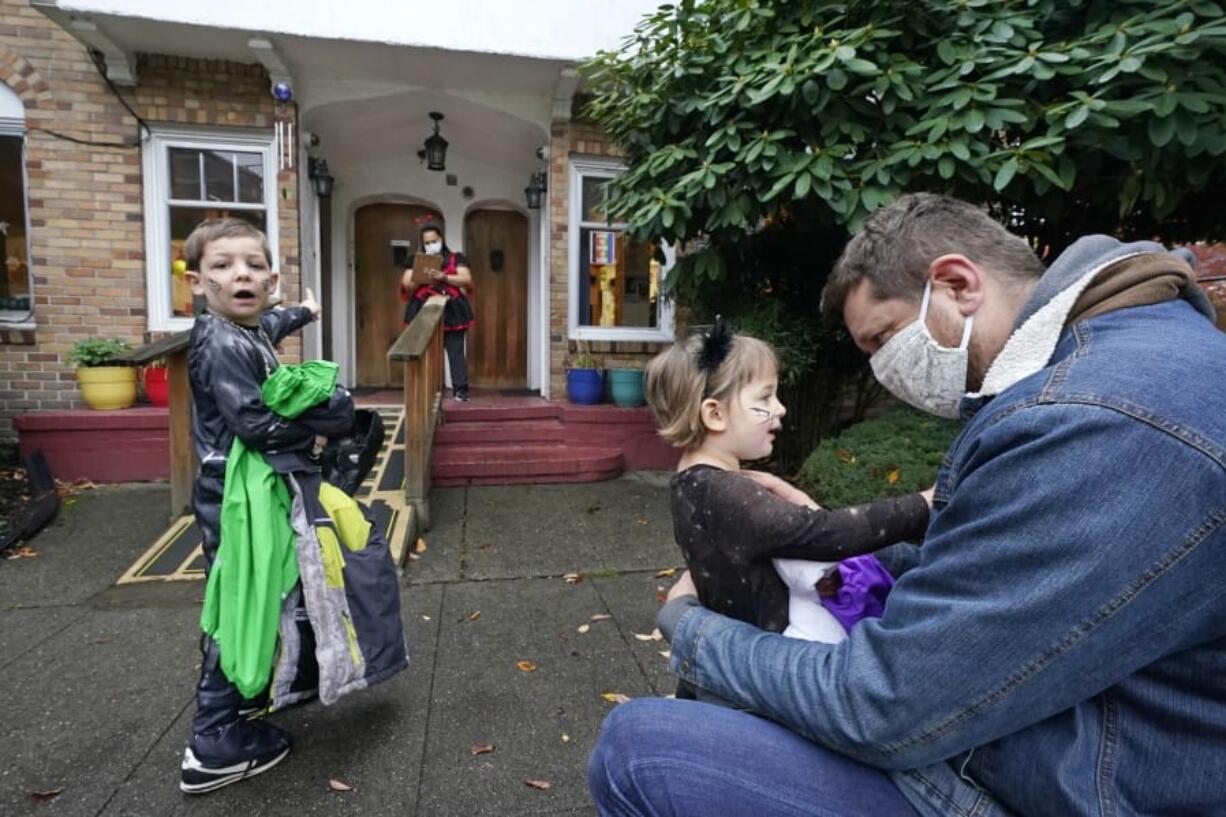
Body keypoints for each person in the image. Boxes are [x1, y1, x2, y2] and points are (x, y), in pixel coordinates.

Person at [588, 193, 1226, 817]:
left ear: (955, 284)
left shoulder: (1093, 420)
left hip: (1065, 782)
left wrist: (693, 629)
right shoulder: (1138, 356)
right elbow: (997, 560)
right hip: (1071, 738)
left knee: (638, 749)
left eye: (883, 339)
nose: (882, 371)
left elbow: (882, 707)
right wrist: (825, 542)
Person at [643, 319, 931, 683]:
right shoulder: (723, 491)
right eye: (764, 398)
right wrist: (923, 504)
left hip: (747, 654)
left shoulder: (692, 484)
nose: (779, 409)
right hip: (774, 664)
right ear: (715, 414)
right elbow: (823, 534)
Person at [179, 218, 356, 793]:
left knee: (272, 588)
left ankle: (251, 692)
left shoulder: (248, 325)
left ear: (271, 280)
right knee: (243, 599)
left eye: (253, 265)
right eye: (224, 266)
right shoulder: (223, 341)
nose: (241, 275)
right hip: (231, 497)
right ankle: (212, 740)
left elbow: (271, 322)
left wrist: (303, 312)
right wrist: (322, 421)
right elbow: (255, 424)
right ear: (197, 284)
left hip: (250, 489)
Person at [399, 220, 474, 401]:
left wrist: (444, 277)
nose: (432, 245)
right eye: (428, 242)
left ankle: (460, 390)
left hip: (453, 310)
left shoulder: (456, 258)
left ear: (441, 239)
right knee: (424, 352)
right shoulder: (415, 259)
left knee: (455, 351)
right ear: (422, 243)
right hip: (423, 310)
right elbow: (407, 283)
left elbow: (466, 279)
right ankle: (425, 391)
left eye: (434, 241)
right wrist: (422, 274)